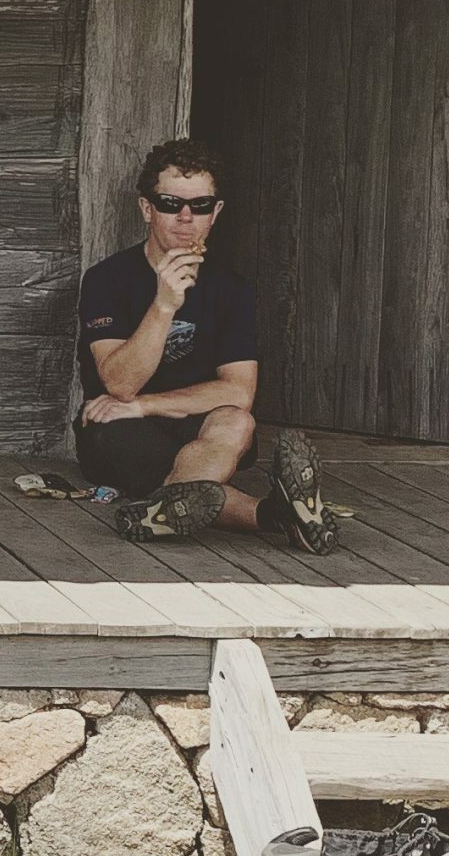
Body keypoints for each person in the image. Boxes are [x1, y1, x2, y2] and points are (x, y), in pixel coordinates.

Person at [75, 138, 335, 550]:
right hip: (120, 429)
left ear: (215, 213)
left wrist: (145, 403)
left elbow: (238, 391)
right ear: (146, 208)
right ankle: (276, 514)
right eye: (169, 203)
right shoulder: (108, 279)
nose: (184, 218)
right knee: (143, 443)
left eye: (199, 206)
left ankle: (162, 508)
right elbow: (119, 384)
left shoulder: (231, 289)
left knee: (237, 421)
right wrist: (164, 305)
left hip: (186, 422)